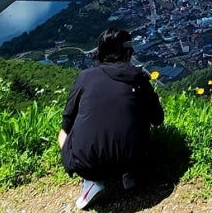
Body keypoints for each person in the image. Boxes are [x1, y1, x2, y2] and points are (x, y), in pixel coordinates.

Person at [58, 28, 164, 210]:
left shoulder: (85, 77)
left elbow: (67, 123)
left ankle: (90, 181)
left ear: (100, 52)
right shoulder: (138, 78)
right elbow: (157, 119)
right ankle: (129, 173)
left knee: (66, 130)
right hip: (134, 157)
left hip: (85, 164)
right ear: (128, 52)